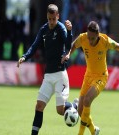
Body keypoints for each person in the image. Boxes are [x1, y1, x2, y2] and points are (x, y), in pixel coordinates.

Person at [61, 21, 119, 135]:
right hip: (88, 75)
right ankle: (94, 130)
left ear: (98, 35)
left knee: (87, 100)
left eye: (92, 38)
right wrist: (68, 54)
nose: (90, 40)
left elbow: (117, 45)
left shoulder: (104, 41)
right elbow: (73, 45)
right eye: (88, 37)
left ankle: (80, 133)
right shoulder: (83, 38)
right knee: (80, 110)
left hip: (101, 77)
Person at [17, 4, 78, 135]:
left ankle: (74, 106)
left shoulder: (61, 28)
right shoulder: (44, 29)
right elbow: (34, 45)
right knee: (39, 106)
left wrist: (69, 31)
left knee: (60, 110)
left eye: (53, 19)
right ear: (47, 16)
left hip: (60, 75)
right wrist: (24, 56)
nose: (51, 22)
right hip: (48, 76)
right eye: (49, 19)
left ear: (58, 17)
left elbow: (68, 45)